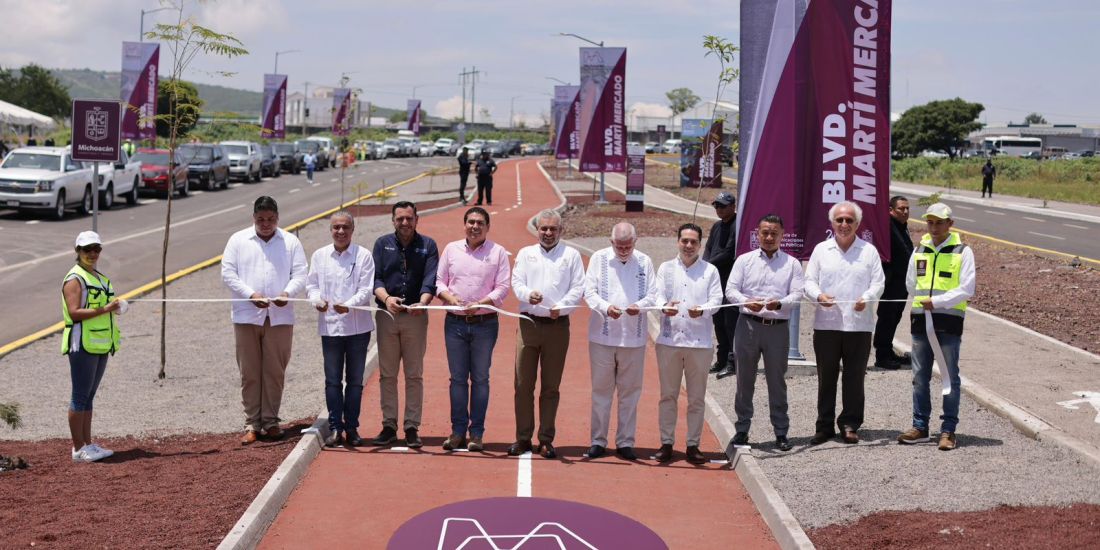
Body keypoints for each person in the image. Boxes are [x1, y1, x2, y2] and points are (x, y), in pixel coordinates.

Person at [221, 196, 307, 445]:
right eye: (261, 220)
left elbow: (300, 273)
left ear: (277, 218)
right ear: (254, 218)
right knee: (249, 372)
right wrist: (250, 295)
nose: (266, 224)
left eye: (270, 219)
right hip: (247, 316)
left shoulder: (290, 241)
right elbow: (228, 273)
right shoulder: (238, 240)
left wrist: (287, 294)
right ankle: (252, 423)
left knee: (275, 371)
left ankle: (270, 421)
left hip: (280, 317)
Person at [804, 202, 885, 445]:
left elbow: (878, 283)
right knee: (826, 378)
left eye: (849, 220)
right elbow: (809, 281)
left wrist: (867, 298)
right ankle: (824, 426)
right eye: (839, 220)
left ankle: (850, 424)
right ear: (832, 223)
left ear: (857, 224)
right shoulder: (821, 250)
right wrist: (819, 296)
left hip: (859, 326)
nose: (844, 224)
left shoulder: (869, 251)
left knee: (854, 378)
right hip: (827, 325)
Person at [897, 203, 975, 451]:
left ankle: (948, 430)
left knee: (949, 377)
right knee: (919, 376)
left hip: (949, 322)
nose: (934, 227)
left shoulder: (963, 251)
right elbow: (911, 284)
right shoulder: (919, 250)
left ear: (950, 224)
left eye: (939, 222)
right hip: (921, 321)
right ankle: (920, 426)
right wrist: (926, 302)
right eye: (930, 222)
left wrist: (938, 302)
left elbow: (967, 288)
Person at [509, 209, 585, 459]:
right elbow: (517, 282)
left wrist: (562, 306)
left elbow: (578, 288)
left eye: (553, 229)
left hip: (557, 327)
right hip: (528, 324)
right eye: (544, 228)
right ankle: (523, 438)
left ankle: (546, 439)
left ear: (561, 230)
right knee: (523, 385)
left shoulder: (571, 255)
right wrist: (527, 294)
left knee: (551, 386)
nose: (548, 233)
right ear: (537, 229)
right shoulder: (526, 253)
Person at [726, 214, 804, 451]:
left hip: (777, 329)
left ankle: (781, 432)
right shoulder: (744, 260)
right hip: (748, 326)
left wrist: (780, 303)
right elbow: (731, 290)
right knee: (744, 380)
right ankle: (742, 430)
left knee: (777, 382)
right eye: (765, 232)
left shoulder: (792, 264)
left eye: (774, 233)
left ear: (782, 235)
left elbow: (797, 294)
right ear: (757, 234)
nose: (769, 237)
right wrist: (745, 301)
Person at [436, 207, 511, 452]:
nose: (475, 226)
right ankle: (457, 432)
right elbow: (439, 282)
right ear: (464, 224)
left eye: (480, 223)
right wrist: (451, 299)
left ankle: (476, 433)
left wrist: (481, 303)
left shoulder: (498, 252)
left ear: (488, 227)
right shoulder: (451, 249)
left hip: (484, 324)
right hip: (455, 324)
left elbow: (502, 287)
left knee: (480, 379)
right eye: (471, 222)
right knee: (457, 379)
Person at [583, 222, 658, 460]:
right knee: (601, 392)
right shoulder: (598, 258)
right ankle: (598, 440)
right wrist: (606, 308)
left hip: (634, 338)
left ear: (635, 242)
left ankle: (625, 441)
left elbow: (654, 294)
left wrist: (640, 306)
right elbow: (589, 292)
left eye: (628, 246)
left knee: (630, 393)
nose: (623, 250)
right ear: (611, 242)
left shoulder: (645, 261)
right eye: (619, 246)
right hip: (602, 337)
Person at [371, 201, 439, 448]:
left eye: (409, 218)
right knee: (387, 374)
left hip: (415, 317)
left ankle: (411, 426)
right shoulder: (382, 244)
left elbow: (431, 279)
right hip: (387, 316)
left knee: (414, 374)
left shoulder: (428, 245)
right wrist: (387, 299)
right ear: (393, 220)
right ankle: (389, 425)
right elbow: (376, 278)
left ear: (416, 219)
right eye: (400, 218)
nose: (405, 223)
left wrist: (423, 302)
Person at [653, 223, 723, 464]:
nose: (689, 245)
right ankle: (666, 443)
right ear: (678, 242)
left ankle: (693, 445)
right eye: (685, 241)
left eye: (694, 241)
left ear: (700, 244)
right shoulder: (666, 268)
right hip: (669, 341)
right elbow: (657, 295)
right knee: (668, 395)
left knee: (696, 398)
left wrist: (702, 310)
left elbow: (717, 300)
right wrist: (664, 306)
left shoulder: (710, 271)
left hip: (699, 344)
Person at [307, 211, 376, 448]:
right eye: (336, 227)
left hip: (357, 329)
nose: (341, 231)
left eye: (345, 227)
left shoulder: (363, 255)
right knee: (333, 381)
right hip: (330, 328)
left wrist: (349, 305)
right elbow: (312, 286)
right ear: (331, 230)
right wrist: (316, 301)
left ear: (352, 229)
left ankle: (352, 428)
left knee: (355, 381)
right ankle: (336, 427)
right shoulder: (320, 256)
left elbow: (366, 289)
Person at [62, 231, 122, 463]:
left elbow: (102, 306)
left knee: (89, 397)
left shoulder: (99, 277)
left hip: (100, 344)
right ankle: (78, 448)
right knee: (79, 396)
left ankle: (88, 444)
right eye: (87, 249)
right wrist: (106, 309)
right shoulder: (74, 279)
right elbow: (74, 312)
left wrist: (116, 307)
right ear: (77, 251)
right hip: (82, 344)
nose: (92, 253)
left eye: (96, 249)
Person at [874, 196, 915, 369]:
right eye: (901, 208)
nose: (905, 212)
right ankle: (882, 356)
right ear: (891, 210)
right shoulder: (887, 227)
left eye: (907, 208)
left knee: (895, 317)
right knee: (887, 317)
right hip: (891, 282)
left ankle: (888, 350)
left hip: (902, 283)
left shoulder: (902, 227)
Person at [703, 191, 739, 379]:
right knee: (717, 320)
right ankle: (721, 359)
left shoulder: (737, 225)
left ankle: (733, 362)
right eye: (717, 205)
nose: (719, 209)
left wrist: (707, 265)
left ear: (733, 206)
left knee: (730, 322)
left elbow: (729, 252)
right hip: (715, 279)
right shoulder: (717, 226)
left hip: (730, 279)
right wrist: (703, 266)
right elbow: (709, 248)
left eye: (723, 206)